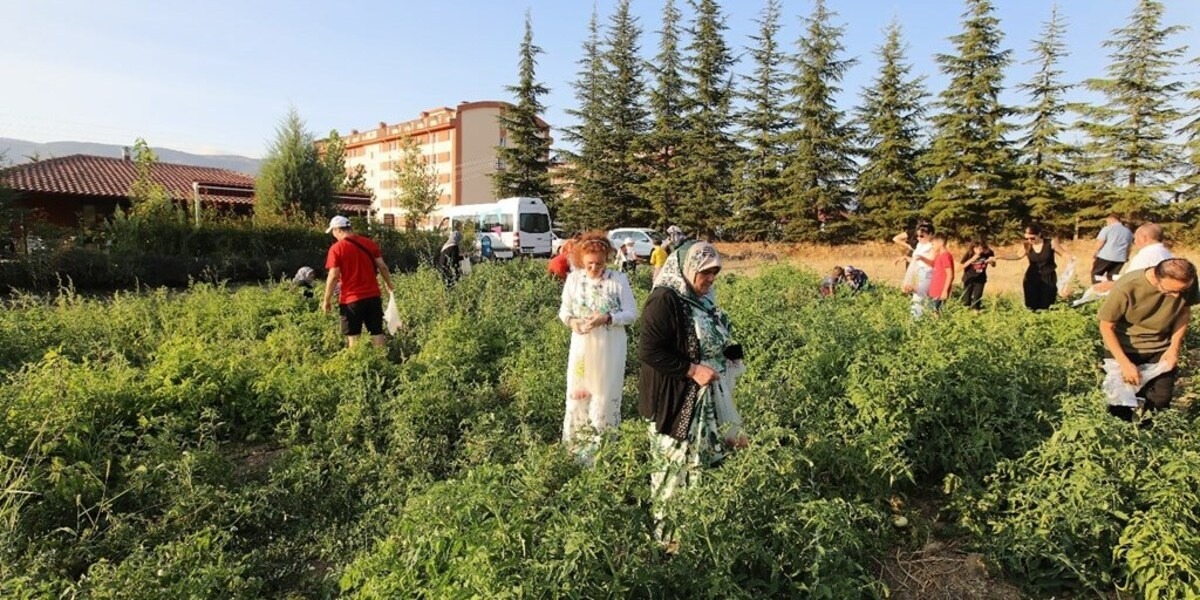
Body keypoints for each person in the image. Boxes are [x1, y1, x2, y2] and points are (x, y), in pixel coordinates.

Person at [638, 240, 746, 547]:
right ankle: (668, 539)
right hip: (673, 400)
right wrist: (691, 369)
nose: (711, 279)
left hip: (706, 398)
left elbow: (714, 333)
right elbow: (649, 351)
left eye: (715, 272)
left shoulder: (704, 298)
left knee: (703, 463)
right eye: (705, 272)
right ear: (687, 269)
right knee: (672, 467)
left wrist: (729, 352)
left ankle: (698, 531)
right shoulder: (664, 299)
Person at [558, 232, 638, 464]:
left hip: (609, 345)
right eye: (590, 263)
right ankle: (575, 452)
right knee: (578, 393)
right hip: (582, 344)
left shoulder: (618, 280)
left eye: (599, 263)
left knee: (604, 394)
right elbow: (564, 311)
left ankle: (602, 452)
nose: (594, 268)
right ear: (581, 260)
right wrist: (572, 322)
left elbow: (632, 313)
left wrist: (607, 318)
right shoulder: (574, 280)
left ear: (607, 259)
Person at [1098, 258, 1199, 421]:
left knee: (1160, 400)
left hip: (1161, 347)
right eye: (1170, 291)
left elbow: (1184, 313)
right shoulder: (1128, 286)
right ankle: (1124, 440)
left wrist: (1174, 348)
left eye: (1182, 292)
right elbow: (1106, 326)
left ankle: (1151, 440)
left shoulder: (1187, 282)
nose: (1176, 296)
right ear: (1156, 277)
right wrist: (1125, 364)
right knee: (1120, 404)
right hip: (1125, 347)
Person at [321, 215, 394, 348]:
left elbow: (333, 276)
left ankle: (357, 364)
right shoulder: (369, 243)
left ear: (338, 230)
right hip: (373, 296)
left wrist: (327, 300)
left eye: (333, 231)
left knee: (353, 335)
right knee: (377, 332)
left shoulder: (337, 248)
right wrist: (389, 283)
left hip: (351, 299)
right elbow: (382, 266)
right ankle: (383, 363)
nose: (333, 234)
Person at [1000, 224, 1071, 311]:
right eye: (1027, 238)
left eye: (1032, 238)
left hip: (1048, 278)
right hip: (1031, 278)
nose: (1029, 240)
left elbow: (1063, 254)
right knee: (1031, 306)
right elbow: (1017, 255)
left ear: (1039, 234)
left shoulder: (1050, 243)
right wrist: (1000, 256)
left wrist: (1071, 258)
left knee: (1047, 305)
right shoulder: (1026, 245)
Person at [900, 223, 935, 317]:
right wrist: (907, 258)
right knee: (917, 300)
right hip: (917, 274)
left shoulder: (931, 247)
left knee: (922, 299)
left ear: (931, 234)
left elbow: (933, 263)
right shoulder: (919, 245)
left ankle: (922, 320)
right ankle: (918, 320)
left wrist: (921, 259)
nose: (919, 238)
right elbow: (917, 261)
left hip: (927, 275)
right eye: (917, 236)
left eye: (922, 236)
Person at [918, 234, 954, 313]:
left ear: (940, 243)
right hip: (934, 290)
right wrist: (922, 258)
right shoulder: (939, 255)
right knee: (932, 312)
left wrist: (945, 291)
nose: (932, 246)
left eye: (933, 244)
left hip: (940, 291)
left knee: (936, 313)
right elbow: (933, 264)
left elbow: (950, 274)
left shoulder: (945, 256)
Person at [1092, 214, 1133, 284]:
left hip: (1105, 256)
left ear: (1111, 219)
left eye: (1107, 221)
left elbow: (1101, 242)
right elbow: (1129, 246)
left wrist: (1095, 252)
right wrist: (1126, 257)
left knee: (1096, 275)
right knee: (1112, 277)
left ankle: (1096, 292)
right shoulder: (1128, 232)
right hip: (1120, 258)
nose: (1107, 223)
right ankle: (1109, 292)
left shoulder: (1107, 229)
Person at [959, 239, 996, 310]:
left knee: (976, 300)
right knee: (966, 301)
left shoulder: (988, 252)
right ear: (974, 248)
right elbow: (960, 267)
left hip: (980, 279)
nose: (981, 250)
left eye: (982, 248)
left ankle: (975, 315)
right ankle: (965, 316)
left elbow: (994, 265)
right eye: (978, 248)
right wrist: (973, 259)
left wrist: (991, 262)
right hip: (969, 278)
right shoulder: (969, 253)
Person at [437, 221, 463, 287]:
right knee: (451, 287)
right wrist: (462, 258)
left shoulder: (446, 246)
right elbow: (454, 260)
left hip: (442, 269)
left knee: (445, 286)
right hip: (448, 271)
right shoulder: (454, 247)